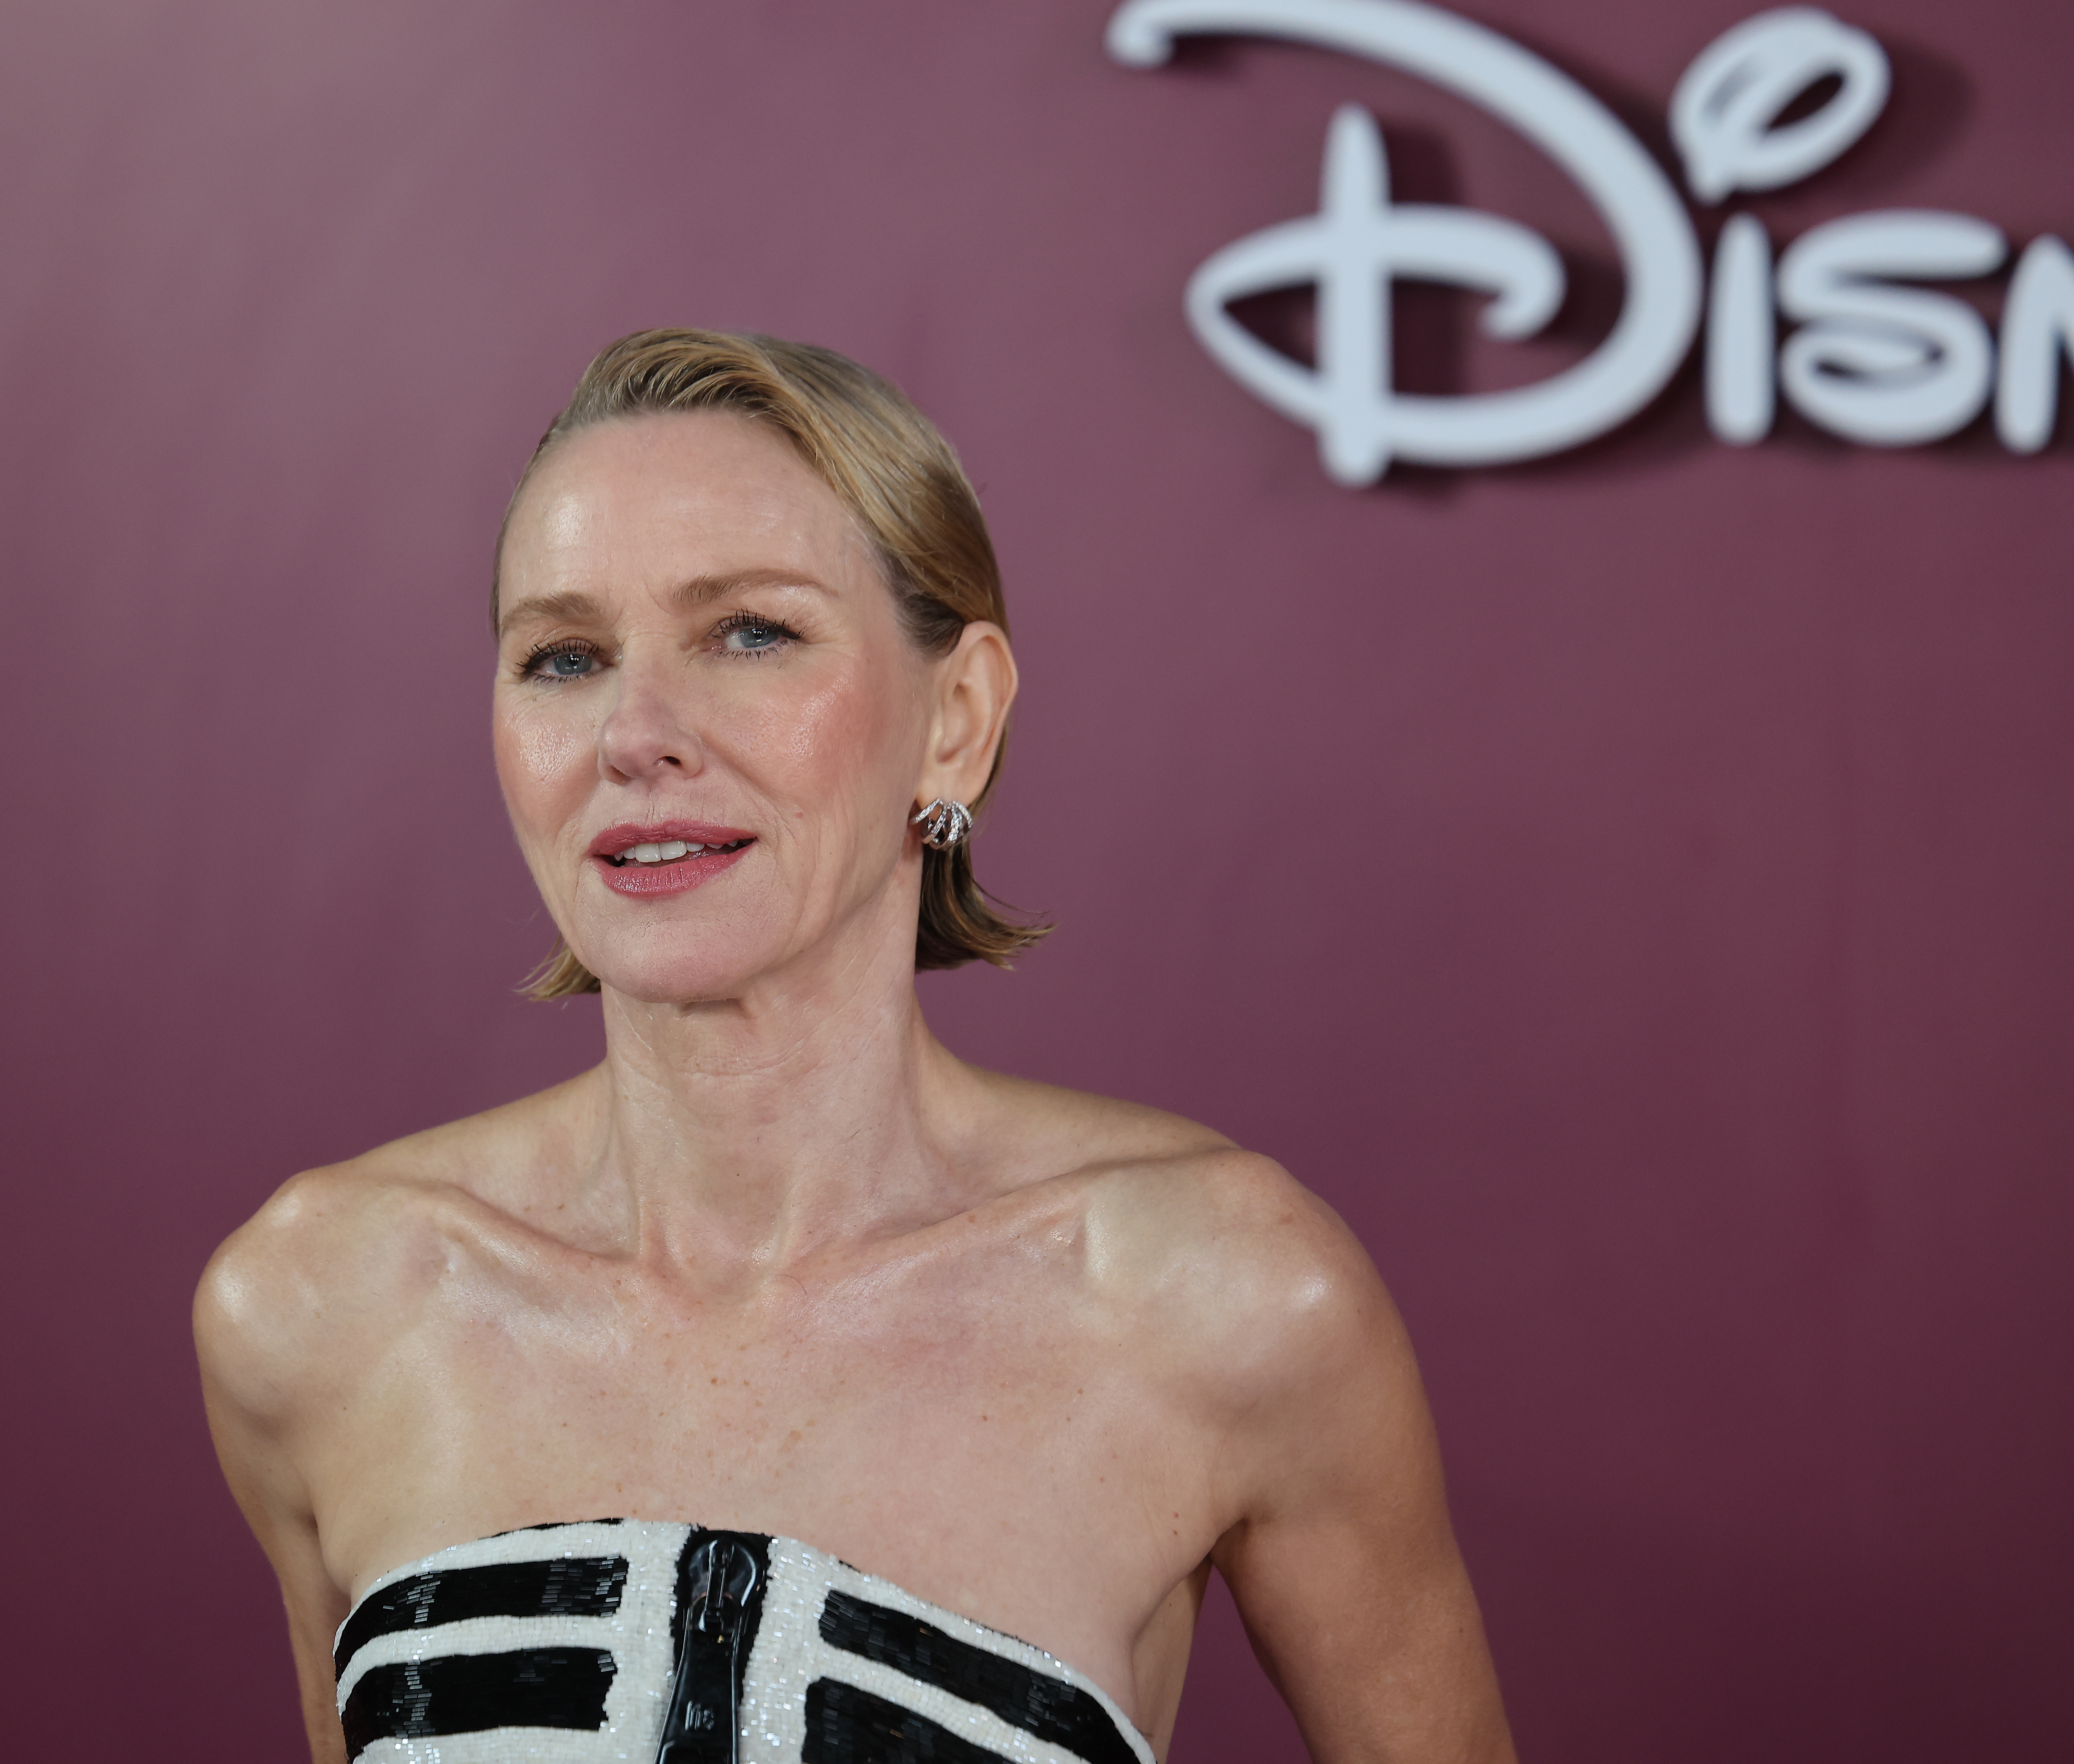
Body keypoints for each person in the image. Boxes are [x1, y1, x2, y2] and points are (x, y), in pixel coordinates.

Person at [196, 329, 1516, 1764]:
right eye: (563, 655)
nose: (634, 734)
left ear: (955, 721)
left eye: (750, 633)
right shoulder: (316, 1308)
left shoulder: (1227, 1300)